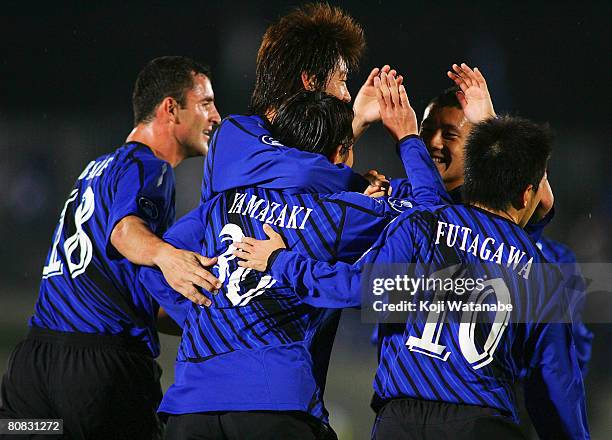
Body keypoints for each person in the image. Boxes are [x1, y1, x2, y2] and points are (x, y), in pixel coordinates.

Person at [235, 115, 590, 439]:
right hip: (481, 425)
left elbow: (357, 287)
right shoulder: (540, 271)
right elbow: (557, 383)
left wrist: (281, 261)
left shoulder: (421, 224)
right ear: (529, 193)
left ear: (473, 174)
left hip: (400, 423)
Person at [140, 71, 442, 439]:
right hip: (274, 403)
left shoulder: (222, 201)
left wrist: (210, 312)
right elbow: (433, 221)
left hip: (189, 408)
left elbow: (156, 268)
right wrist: (408, 137)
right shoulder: (339, 216)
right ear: (340, 154)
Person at [0, 56, 221, 440]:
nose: (216, 116)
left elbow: (133, 297)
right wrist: (170, 256)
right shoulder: (149, 168)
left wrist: (205, 317)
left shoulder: (96, 169)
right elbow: (125, 233)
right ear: (171, 109)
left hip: (33, 370)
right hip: (101, 375)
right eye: (205, 103)